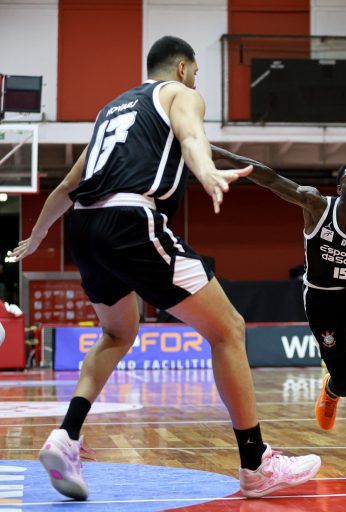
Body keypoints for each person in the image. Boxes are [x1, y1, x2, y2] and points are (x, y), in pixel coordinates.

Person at [11, 36, 320, 501]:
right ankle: (256, 462)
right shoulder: (179, 93)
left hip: (84, 229)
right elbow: (193, 137)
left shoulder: (111, 111)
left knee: (117, 334)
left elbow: (69, 185)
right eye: (195, 72)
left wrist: (37, 236)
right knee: (229, 329)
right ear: (182, 68)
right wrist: (205, 170)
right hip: (131, 220)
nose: (196, 82)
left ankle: (66, 437)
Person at [211, 150, 346, 457]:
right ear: (339, 188)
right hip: (321, 300)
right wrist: (219, 154)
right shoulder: (316, 206)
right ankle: (332, 389)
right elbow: (270, 178)